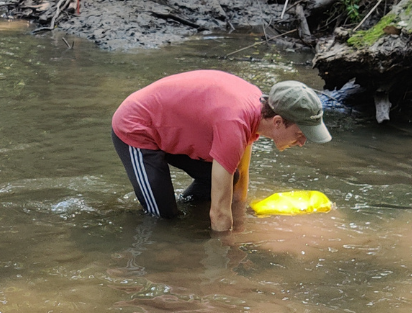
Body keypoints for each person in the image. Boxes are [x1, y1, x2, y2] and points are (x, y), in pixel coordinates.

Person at [111, 71, 332, 232]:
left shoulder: (255, 113)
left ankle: (182, 203)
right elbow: (219, 214)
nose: (302, 143)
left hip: (170, 127)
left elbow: (241, 179)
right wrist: (225, 258)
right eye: (301, 134)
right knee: (165, 220)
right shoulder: (235, 124)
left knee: (230, 177)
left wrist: (240, 222)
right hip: (137, 129)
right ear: (277, 122)